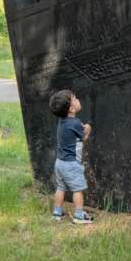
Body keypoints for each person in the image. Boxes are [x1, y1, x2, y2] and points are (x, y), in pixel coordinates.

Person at [48, 89, 93, 224]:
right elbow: (83, 137)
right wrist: (88, 130)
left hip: (60, 163)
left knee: (60, 187)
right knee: (77, 189)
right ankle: (79, 215)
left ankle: (57, 213)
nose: (78, 100)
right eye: (75, 98)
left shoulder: (62, 121)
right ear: (72, 109)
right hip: (71, 163)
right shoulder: (75, 123)